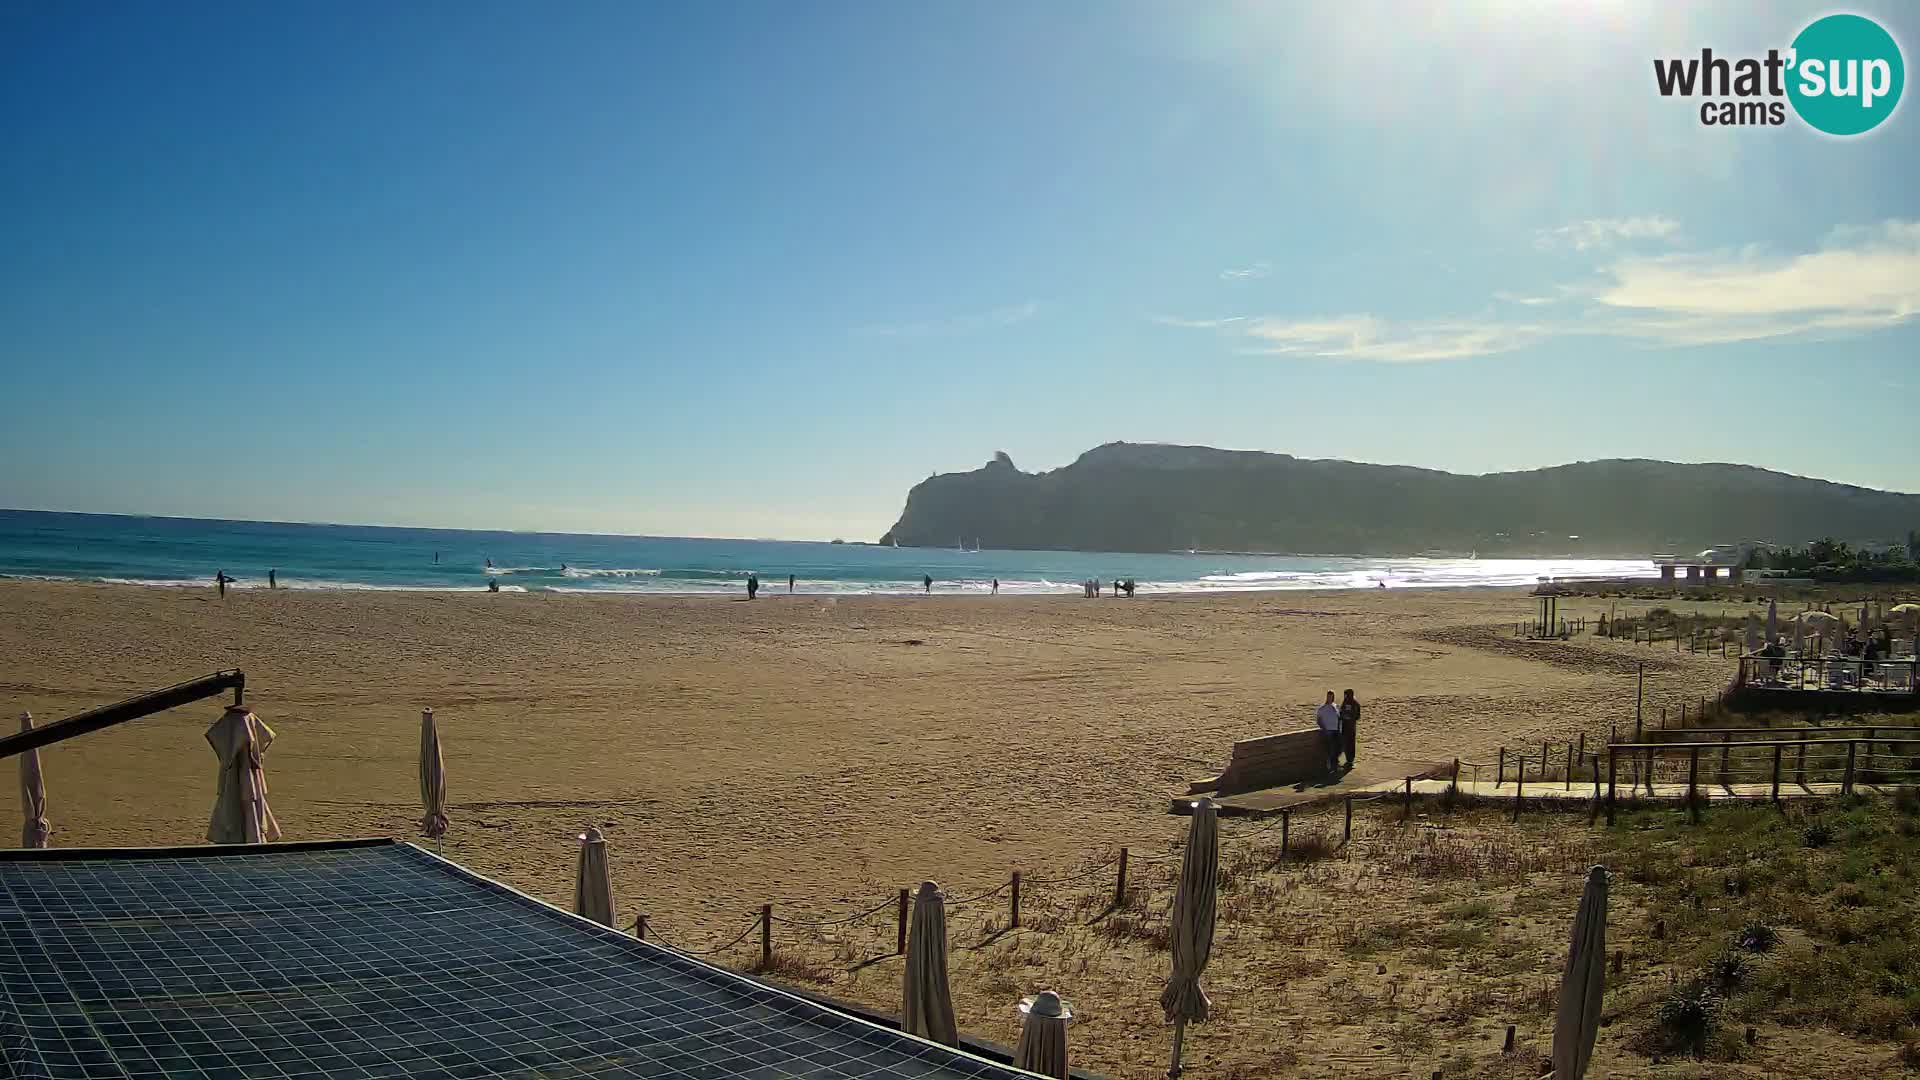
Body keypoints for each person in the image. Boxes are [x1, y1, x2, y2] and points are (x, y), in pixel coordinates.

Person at [1315, 691, 1343, 776]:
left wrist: (1339, 728)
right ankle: (1330, 766)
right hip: (1328, 731)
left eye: (1331, 697)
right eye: (1328, 697)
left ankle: (1335, 764)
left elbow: (1339, 718)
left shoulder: (1336, 707)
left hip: (1336, 730)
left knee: (1338, 748)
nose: (1330, 698)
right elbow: (1318, 719)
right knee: (1331, 749)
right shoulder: (1322, 708)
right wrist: (1323, 728)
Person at [1339, 689, 1361, 769]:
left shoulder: (1354, 703)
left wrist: (1349, 718)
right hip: (1345, 727)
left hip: (1351, 727)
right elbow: (1341, 712)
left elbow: (1357, 715)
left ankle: (1350, 760)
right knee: (1346, 744)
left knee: (1350, 744)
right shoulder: (1345, 702)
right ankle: (1348, 759)